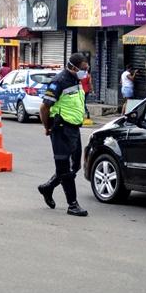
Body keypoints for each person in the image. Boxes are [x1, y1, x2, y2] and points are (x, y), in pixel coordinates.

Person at [37, 53, 89, 217]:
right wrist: (47, 127)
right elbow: (44, 107)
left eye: (87, 69)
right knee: (64, 167)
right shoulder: (59, 81)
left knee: (75, 166)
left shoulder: (76, 80)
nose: (85, 72)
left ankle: (48, 187)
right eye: (83, 69)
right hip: (60, 128)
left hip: (74, 128)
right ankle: (72, 205)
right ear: (73, 67)